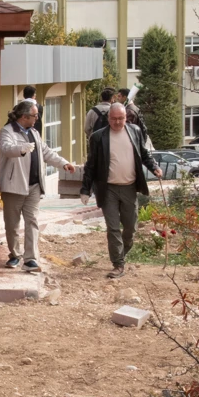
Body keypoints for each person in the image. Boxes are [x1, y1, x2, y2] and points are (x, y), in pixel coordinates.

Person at [80, 103, 162, 279]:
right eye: (114, 118)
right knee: (113, 227)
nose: (117, 122)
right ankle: (118, 264)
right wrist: (85, 190)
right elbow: (91, 165)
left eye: (121, 118)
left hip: (129, 187)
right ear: (108, 118)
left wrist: (154, 167)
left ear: (126, 117)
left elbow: (144, 153)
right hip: (108, 188)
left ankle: (121, 254)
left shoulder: (134, 132)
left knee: (130, 228)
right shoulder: (98, 137)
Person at [0, 100, 77, 273]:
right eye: (34, 115)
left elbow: (46, 152)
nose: (37, 118)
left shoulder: (34, 132)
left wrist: (63, 163)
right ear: (24, 116)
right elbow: (6, 148)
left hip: (33, 186)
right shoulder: (7, 131)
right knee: (12, 224)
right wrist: (22, 148)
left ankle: (30, 259)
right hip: (13, 186)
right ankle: (15, 255)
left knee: (32, 221)